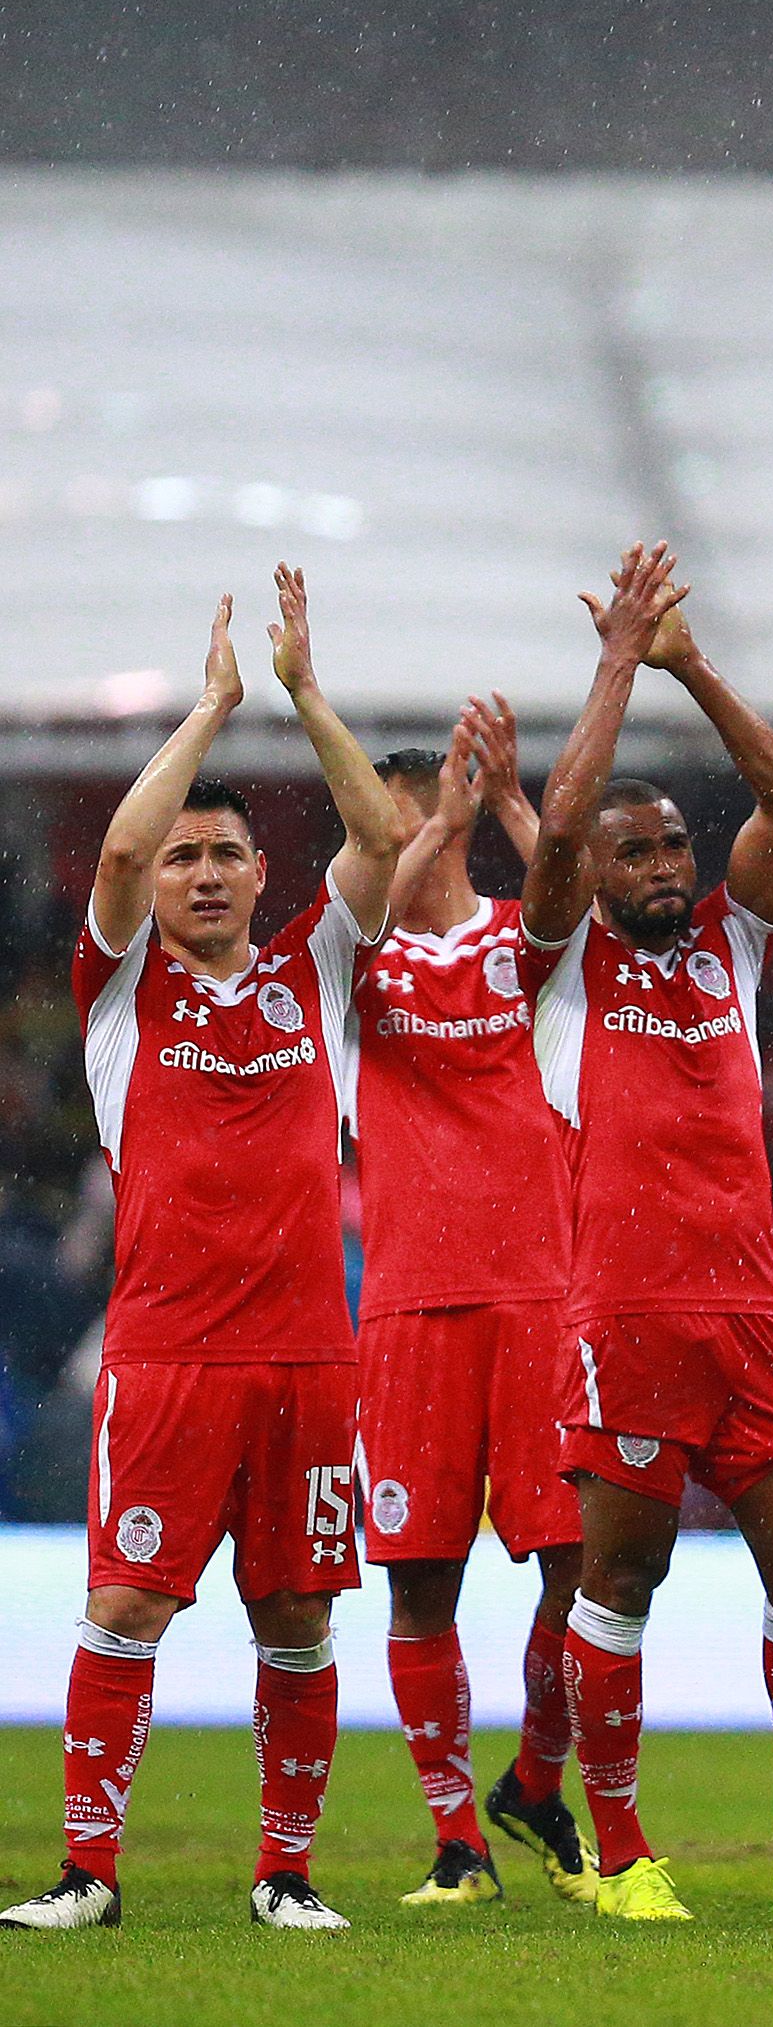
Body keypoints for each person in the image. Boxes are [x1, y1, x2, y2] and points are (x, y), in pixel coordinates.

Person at [517, 543, 773, 1923]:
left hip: (751, 1312)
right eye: (639, 849)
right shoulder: (563, 959)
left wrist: (690, 660)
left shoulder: (726, 946)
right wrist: (620, 660)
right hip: (624, 1315)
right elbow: (559, 826)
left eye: (673, 845)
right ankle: (621, 1852)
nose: (660, 864)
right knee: (621, 1574)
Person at [5, 570, 399, 1932]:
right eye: (185, 856)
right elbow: (110, 859)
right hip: (168, 1352)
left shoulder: (316, 972)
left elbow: (382, 833)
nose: (203, 871)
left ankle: (285, 1874)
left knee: (296, 1618)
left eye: (225, 852)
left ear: (260, 872)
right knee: (126, 1600)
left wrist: (302, 695)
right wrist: (214, 704)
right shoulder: (120, 987)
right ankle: (87, 1873)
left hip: (308, 1354)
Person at [352, 699, 595, 1908]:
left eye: (399, 821)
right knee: (417, 1580)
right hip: (408, 1308)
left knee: (579, 1563)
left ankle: (536, 1780)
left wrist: (500, 797)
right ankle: (457, 1838)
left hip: (541, 1299)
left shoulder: (519, 945)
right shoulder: (346, 967)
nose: (397, 843)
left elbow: (570, 881)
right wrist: (429, 824)